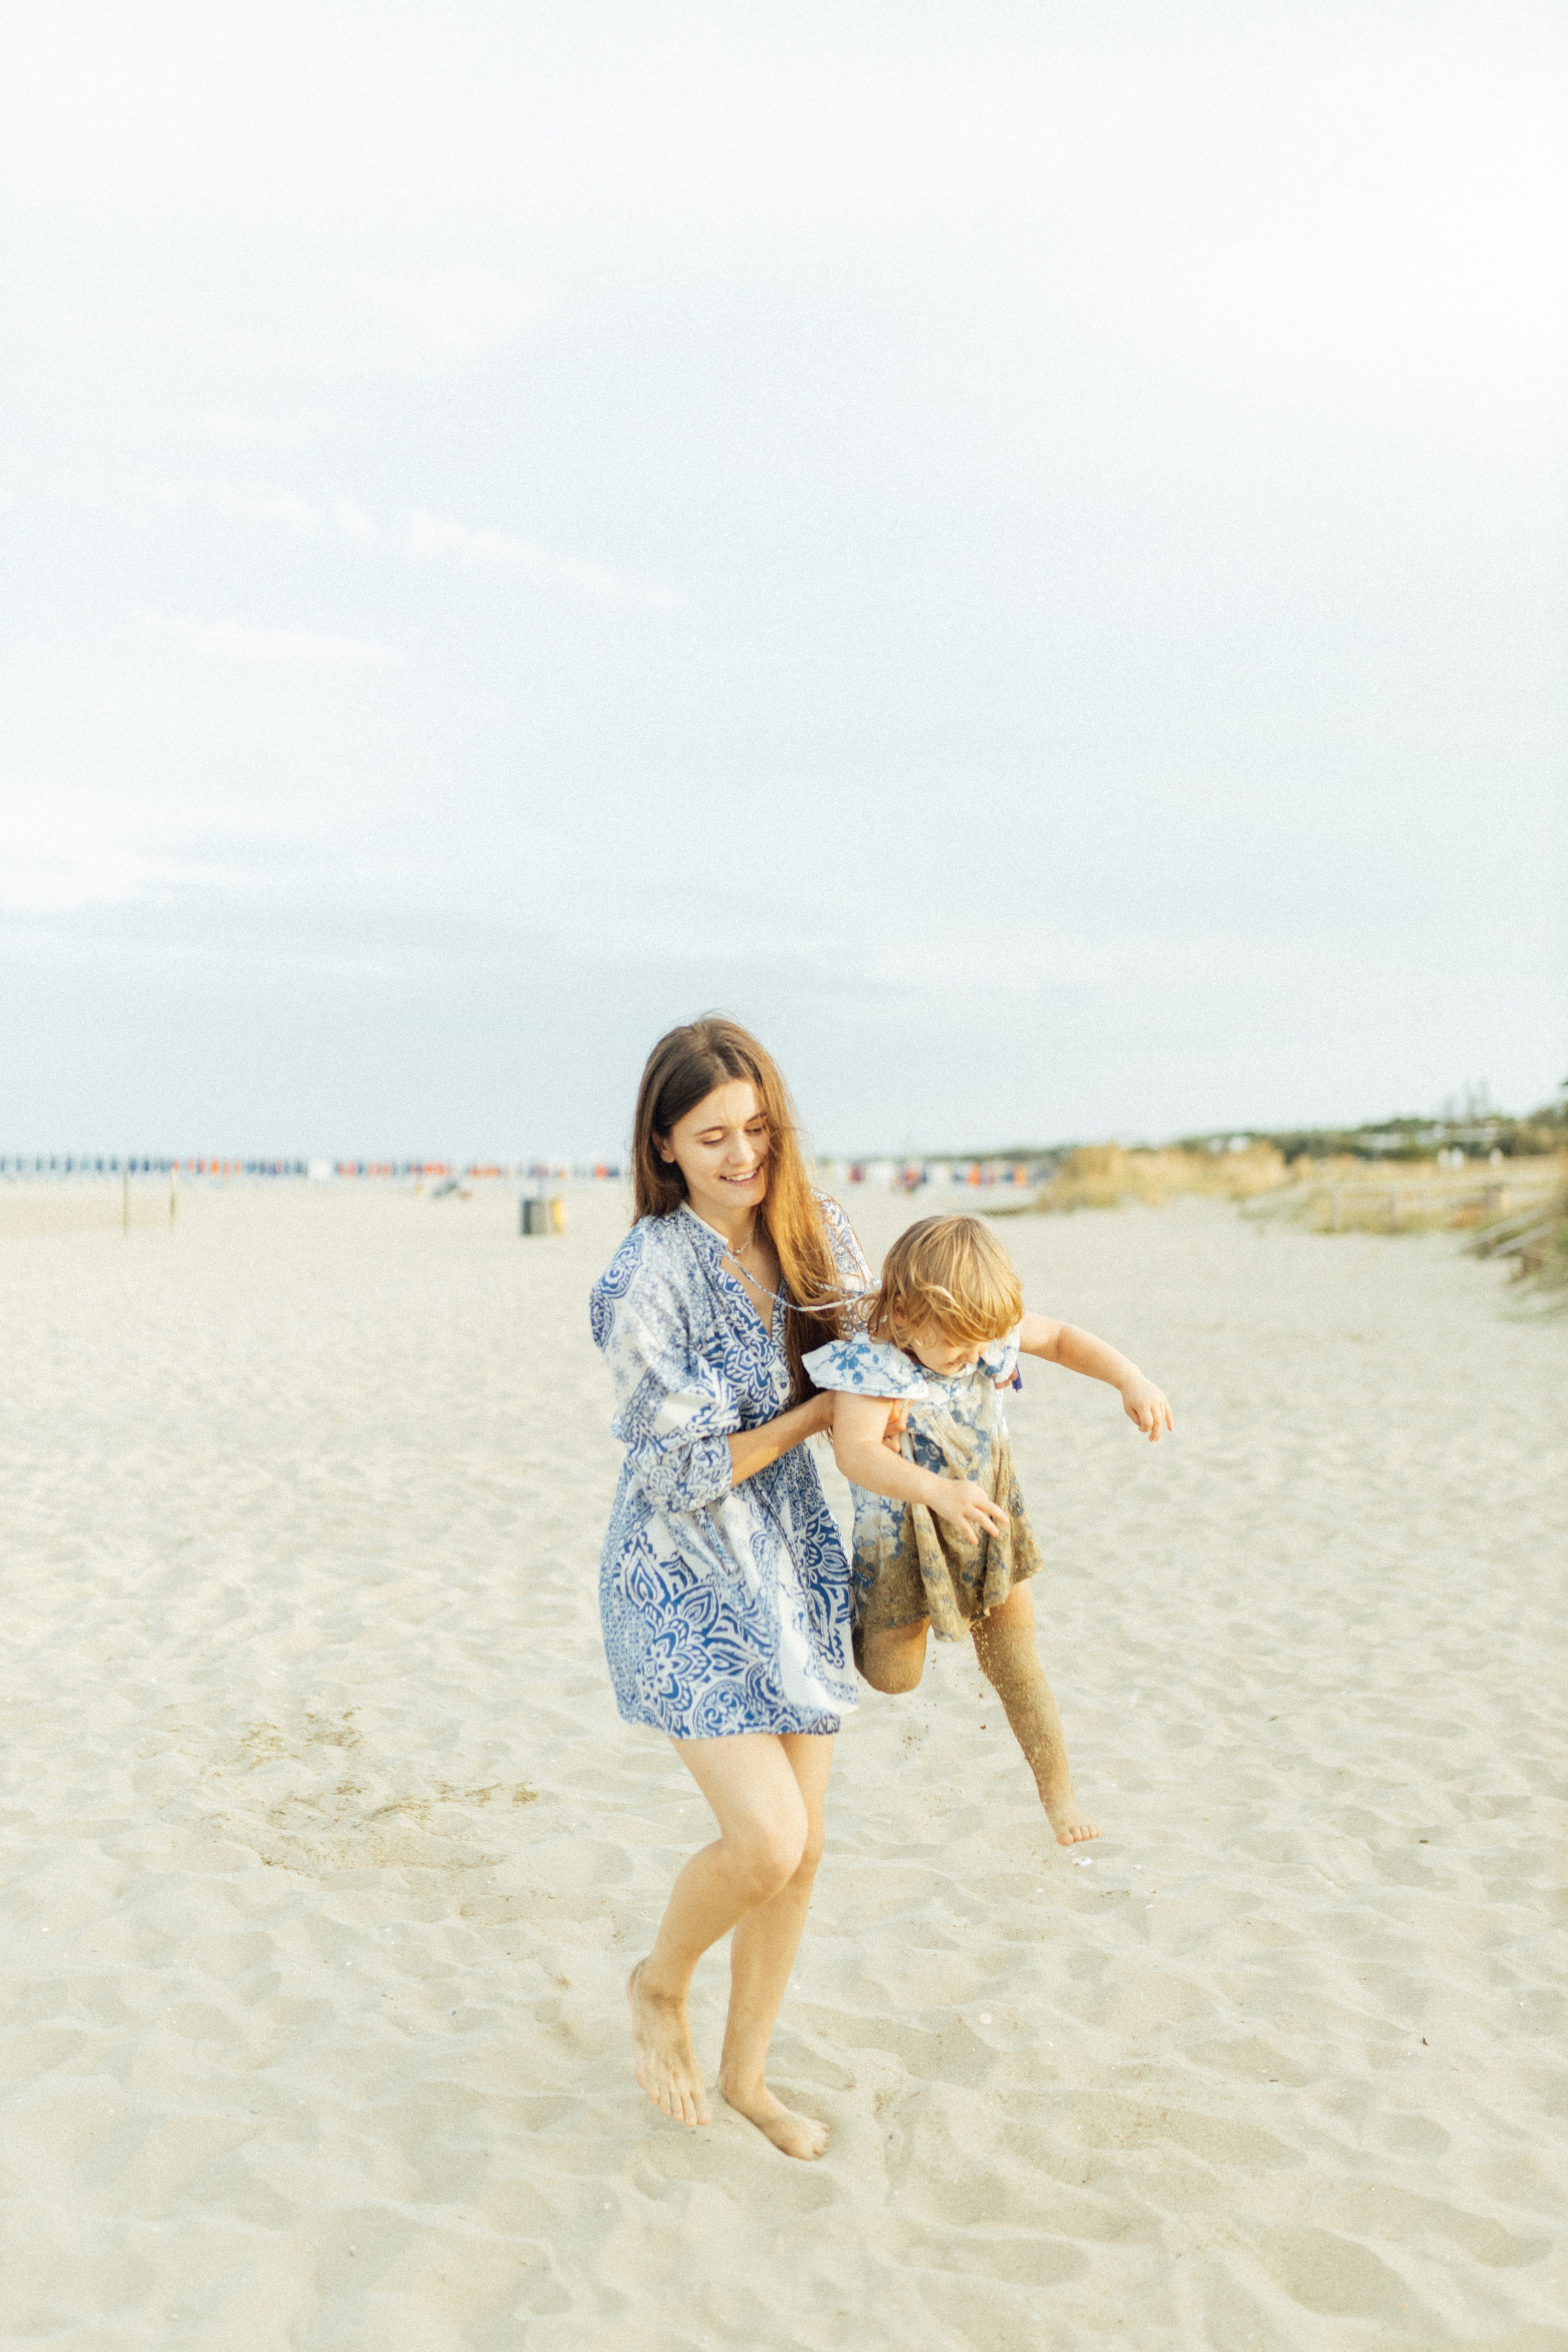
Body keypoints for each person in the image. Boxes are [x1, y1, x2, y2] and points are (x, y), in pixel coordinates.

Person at [590, 1016, 871, 2159]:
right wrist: (817, 1411)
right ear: (664, 1147)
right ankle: (660, 1986)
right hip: (681, 1571)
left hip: (794, 1558)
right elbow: (683, 1469)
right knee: (764, 1838)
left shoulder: (818, 1233)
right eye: (714, 1137)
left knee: (805, 1851)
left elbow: (890, 1361)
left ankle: (749, 2078)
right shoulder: (640, 1279)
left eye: (758, 1128)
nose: (745, 1155)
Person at [804, 1215, 1172, 1846]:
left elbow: (1057, 1339)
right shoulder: (875, 1370)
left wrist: (1129, 1378)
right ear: (903, 1313)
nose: (975, 1355)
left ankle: (1059, 1794)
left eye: (983, 1342)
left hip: (987, 1521)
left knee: (1019, 1663)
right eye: (959, 1342)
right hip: (903, 1541)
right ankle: (850, 1620)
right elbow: (857, 1453)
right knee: (896, 1678)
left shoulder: (981, 1333)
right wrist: (936, 1491)